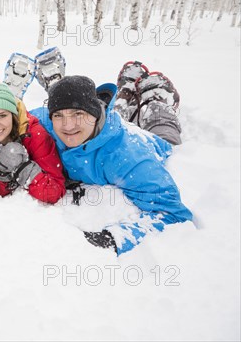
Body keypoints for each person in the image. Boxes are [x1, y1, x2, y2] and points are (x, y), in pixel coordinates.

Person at [29, 74, 192, 254]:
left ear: (94, 113)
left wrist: (114, 237)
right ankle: (126, 92)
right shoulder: (46, 123)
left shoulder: (127, 157)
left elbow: (173, 214)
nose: (67, 125)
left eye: (78, 114)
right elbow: (19, 119)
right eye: (59, 115)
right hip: (107, 125)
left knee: (160, 121)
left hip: (151, 141)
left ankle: (155, 96)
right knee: (120, 112)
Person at [0, 83, 66, 203]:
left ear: (13, 115)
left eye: (2, 116)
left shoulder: (36, 135)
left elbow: (54, 192)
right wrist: (1, 173)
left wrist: (23, 169)